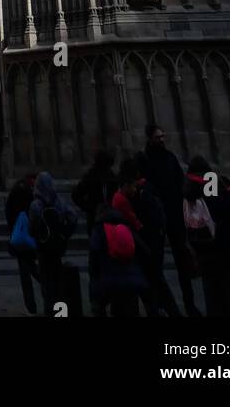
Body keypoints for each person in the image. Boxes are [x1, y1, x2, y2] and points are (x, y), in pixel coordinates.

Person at [137, 123, 200, 315]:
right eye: (158, 137)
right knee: (156, 264)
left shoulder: (170, 158)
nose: (162, 140)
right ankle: (160, 304)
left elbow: (181, 183)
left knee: (182, 263)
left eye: (163, 136)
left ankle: (189, 304)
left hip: (174, 216)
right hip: (155, 218)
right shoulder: (143, 160)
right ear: (150, 139)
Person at [119, 159, 182, 318]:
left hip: (147, 246)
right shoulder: (137, 193)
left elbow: (147, 221)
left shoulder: (142, 194)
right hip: (147, 246)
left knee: (154, 284)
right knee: (153, 285)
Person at [182, 157, 230, 317]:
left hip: (200, 247)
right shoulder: (210, 184)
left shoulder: (188, 189)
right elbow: (222, 211)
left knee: (211, 292)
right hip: (219, 246)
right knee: (228, 293)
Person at [28, 171, 79, 315]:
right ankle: (61, 312)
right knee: (58, 283)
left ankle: (50, 311)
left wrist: (38, 235)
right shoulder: (60, 202)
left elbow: (32, 229)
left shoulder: (36, 205)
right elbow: (73, 217)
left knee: (47, 285)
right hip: (57, 247)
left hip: (43, 248)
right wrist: (64, 234)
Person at [88, 204, 148, 317]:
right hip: (130, 279)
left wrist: (94, 284)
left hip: (108, 279)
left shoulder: (99, 229)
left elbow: (93, 258)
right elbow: (144, 250)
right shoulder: (125, 226)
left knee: (98, 307)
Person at [5, 175, 40, 315]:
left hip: (19, 237)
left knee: (26, 271)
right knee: (31, 266)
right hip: (31, 237)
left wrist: (13, 229)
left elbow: (8, 212)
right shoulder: (34, 195)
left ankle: (31, 307)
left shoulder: (14, 193)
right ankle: (51, 290)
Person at [72, 150, 118, 234]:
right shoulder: (91, 177)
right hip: (95, 220)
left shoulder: (111, 177)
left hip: (109, 219)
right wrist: (89, 207)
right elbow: (76, 195)